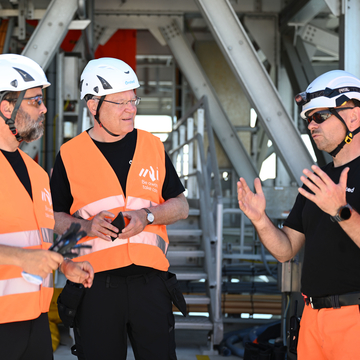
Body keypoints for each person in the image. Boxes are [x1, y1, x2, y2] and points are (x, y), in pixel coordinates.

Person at [50, 57, 189, 360]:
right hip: (95, 285)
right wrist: (86, 227)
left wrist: (147, 216)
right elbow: (54, 218)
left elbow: (181, 206)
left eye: (133, 100)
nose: (132, 109)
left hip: (151, 284)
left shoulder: (152, 146)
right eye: (121, 102)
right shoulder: (69, 155)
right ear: (93, 105)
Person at [237, 69, 360, 360]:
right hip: (312, 320)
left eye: (319, 116)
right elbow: (286, 250)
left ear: (353, 116)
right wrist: (260, 219)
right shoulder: (317, 179)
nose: (311, 125)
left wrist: (341, 211)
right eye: (308, 119)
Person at [0, 54, 94, 360]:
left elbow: (37, 241)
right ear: (6, 107)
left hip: (35, 319)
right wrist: (21, 259)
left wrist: (66, 266)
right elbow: (25, 253)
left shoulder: (38, 173)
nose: (44, 109)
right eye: (35, 101)